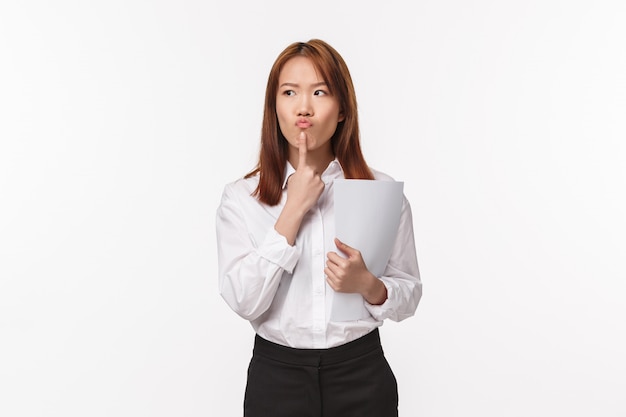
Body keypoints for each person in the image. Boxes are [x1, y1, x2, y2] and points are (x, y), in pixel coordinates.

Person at [216, 39, 422, 417]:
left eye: (320, 91)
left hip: (361, 374)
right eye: (289, 92)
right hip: (277, 378)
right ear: (274, 106)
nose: (303, 107)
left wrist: (369, 285)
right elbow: (244, 301)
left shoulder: (379, 192)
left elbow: (410, 293)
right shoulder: (241, 198)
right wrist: (291, 212)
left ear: (342, 109)